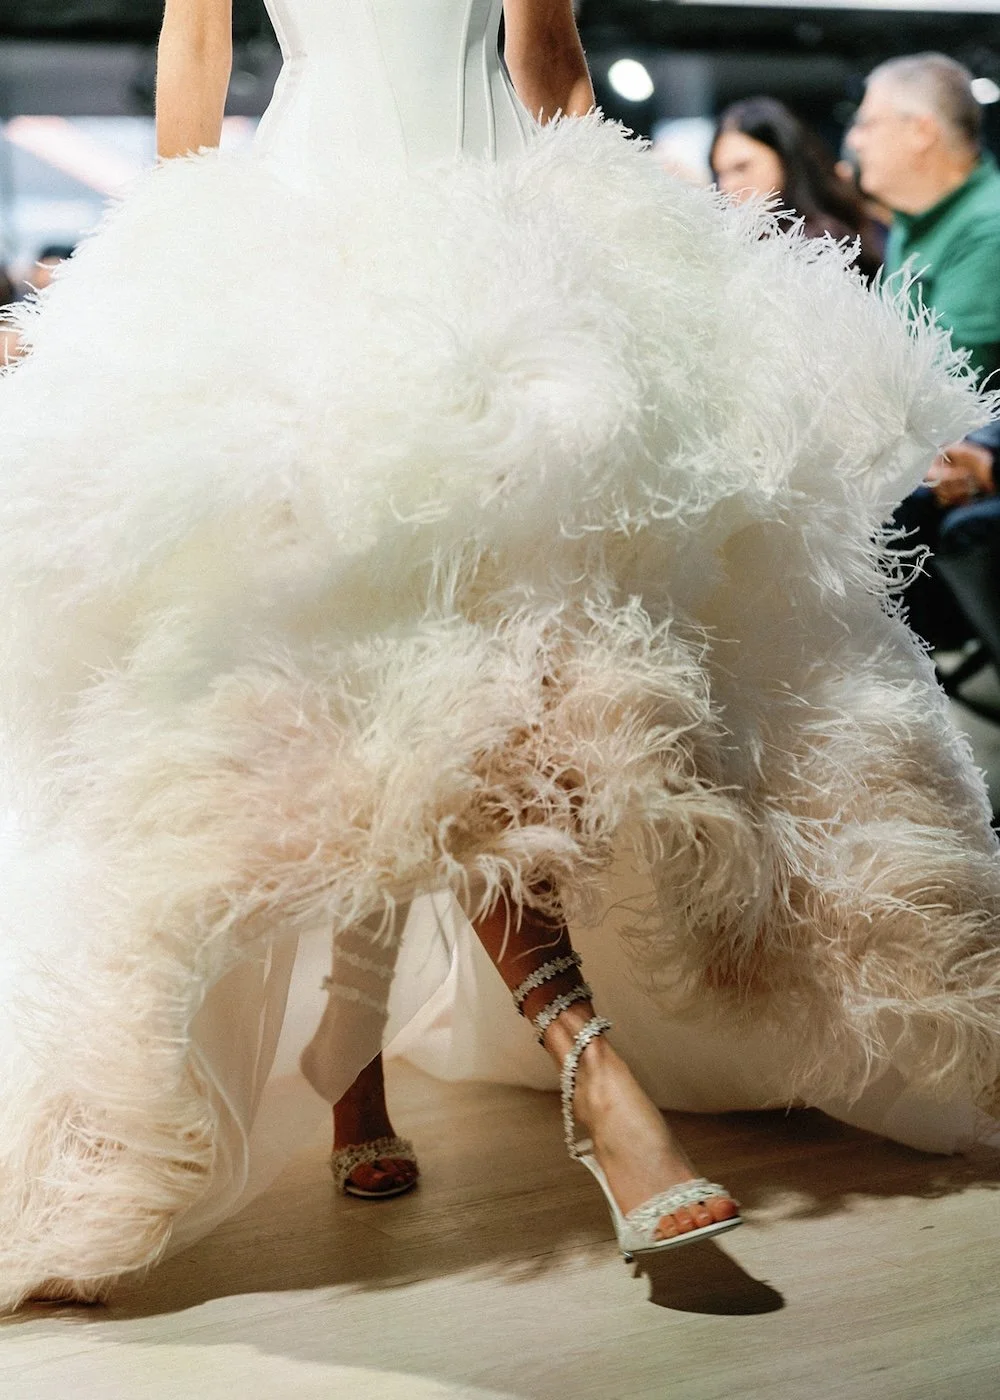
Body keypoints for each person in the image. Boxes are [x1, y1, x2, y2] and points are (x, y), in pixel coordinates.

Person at [0, 0, 998, 1313]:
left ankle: (392, 1058)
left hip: (508, 247)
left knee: (500, 656)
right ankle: (570, 1074)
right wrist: (178, 265)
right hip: (311, 243)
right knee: (360, 650)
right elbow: (196, 41)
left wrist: (648, 254)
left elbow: (549, 58)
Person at [850, 54, 1000, 649]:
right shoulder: (917, 218)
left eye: (867, 123)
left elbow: (953, 380)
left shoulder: (988, 227)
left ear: (920, 132)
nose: (854, 139)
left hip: (952, 465)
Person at [710, 96, 882, 278]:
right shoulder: (739, 241)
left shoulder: (822, 241)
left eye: (742, 167)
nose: (728, 185)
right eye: (720, 173)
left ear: (784, 158)